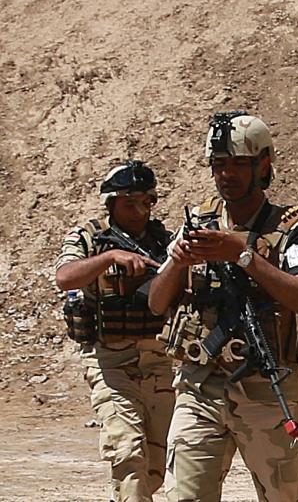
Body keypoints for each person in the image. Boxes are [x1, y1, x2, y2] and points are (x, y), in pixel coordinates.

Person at [149, 111, 298, 502]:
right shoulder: (200, 223)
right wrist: (177, 260)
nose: (227, 174)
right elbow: (157, 303)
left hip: (266, 389)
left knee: (284, 496)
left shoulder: (293, 228)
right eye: (219, 165)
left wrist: (241, 255)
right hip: (200, 386)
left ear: (263, 164)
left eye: (239, 164)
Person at [55, 160, 174, 502]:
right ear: (111, 204)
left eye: (146, 202)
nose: (140, 212)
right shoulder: (90, 239)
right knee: (127, 452)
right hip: (109, 362)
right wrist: (110, 259)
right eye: (129, 204)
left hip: (157, 361)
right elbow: (65, 276)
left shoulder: (163, 240)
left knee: (156, 465)